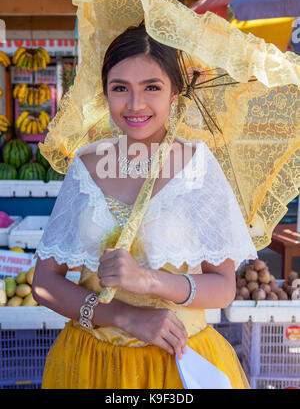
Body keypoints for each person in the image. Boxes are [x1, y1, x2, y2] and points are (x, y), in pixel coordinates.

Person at [32, 23, 258, 389]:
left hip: (177, 366)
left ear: (174, 93)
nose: (135, 105)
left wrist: (148, 280)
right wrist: (123, 315)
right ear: (105, 93)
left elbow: (223, 286)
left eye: (151, 87)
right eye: (120, 88)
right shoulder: (86, 166)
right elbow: (44, 283)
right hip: (92, 364)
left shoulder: (198, 166)